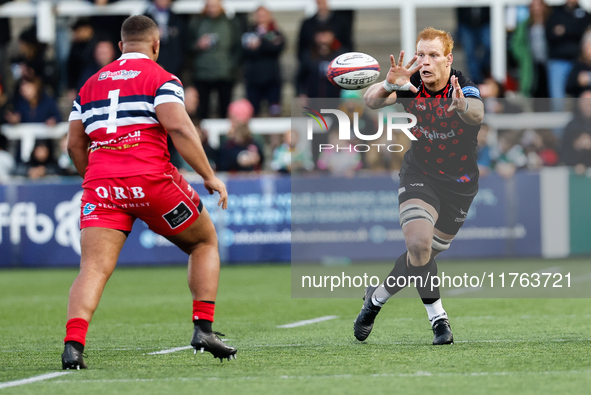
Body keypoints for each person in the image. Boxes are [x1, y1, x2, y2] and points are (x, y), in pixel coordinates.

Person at [62, 15, 237, 370]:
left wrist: (97, 179)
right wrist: (208, 175)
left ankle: (73, 346)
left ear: (121, 46)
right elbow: (178, 127)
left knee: (92, 268)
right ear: (156, 45)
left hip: (103, 187)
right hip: (152, 181)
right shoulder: (161, 78)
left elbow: (74, 145)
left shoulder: (90, 84)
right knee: (203, 243)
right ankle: (203, 328)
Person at [354, 27, 484, 345]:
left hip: (460, 185)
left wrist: (462, 106)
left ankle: (375, 300)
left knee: (422, 257)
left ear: (448, 59)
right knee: (419, 245)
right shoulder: (411, 85)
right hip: (420, 174)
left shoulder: (462, 86)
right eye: (421, 54)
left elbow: (477, 113)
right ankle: (438, 319)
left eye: (433, 55)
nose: (425, 61)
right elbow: (371, 102)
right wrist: (387, 84)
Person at [188, 0, 241, 119]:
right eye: (210, 6)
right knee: (202, 111)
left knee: (225, 110)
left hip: (225, 73)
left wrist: (232, 65)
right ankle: (202, 137)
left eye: (215, 5)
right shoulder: (197, 22)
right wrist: (198, 45)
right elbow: (187, 45)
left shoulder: (230, 23)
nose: (213, 9)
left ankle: (225, 137)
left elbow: (238, 47)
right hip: (202, 73)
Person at [242, 6, 285, 116]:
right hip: (253, 79)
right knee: (253, 112)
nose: (261, 18)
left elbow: (278, 47)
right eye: (259, 15)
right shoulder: (248, 31)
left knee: (275, 111)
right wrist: (267, 44)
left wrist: (260, 43)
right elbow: (247, 51)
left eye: (264, 15)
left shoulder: (275, 31)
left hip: (272, 78)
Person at [545, 0, 591, 102]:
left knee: (581, 95)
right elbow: (550, 34)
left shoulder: (584, 14)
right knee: (558, 98)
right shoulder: (555, 12)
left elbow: (583, 31)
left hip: (578, 61)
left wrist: (565, 29)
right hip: (558, 61)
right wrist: (574, 28)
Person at [510, 0, 551, 99]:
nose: (537, 8)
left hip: (548, 59)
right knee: (533, 86)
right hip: (532, 61)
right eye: (534, 6)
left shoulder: (550, 22)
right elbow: (517, 43)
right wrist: (523, 56)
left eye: (539, 5)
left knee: (548, 86)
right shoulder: (525, 24)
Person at [456, 7, 491, 84]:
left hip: (485, 21)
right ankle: (476, 80)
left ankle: (484, 69)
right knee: (470, 53)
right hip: (466, 23)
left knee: (489, 45)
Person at [561, 90, 591, 174]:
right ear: (579, 104)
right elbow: (564, 153)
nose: (588, 106)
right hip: (576, 174)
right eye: (586, 103)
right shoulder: (572, 126)